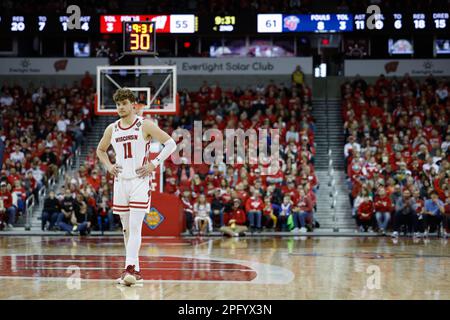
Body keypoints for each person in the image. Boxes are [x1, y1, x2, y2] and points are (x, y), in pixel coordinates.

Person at [96, 88, 176, 286]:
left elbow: (171, 144)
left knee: (135, 226)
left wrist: (154, 163)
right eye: (118, 104)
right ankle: (136, 271)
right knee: (126, 230)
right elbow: (100, 150)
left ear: (133, 104)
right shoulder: (112, 129)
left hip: (140, 181)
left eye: (124, 103)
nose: (120, 107)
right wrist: (108, 166)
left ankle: (129, 268)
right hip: (121, 182)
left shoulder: (145, 124)